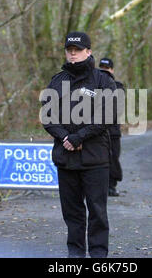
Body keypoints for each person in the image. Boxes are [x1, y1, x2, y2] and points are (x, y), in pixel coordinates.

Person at [41, 32, 116, 258]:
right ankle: (75, 255)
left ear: (89, 51)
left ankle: (99, 255)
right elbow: (48, 117)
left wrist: (79, 137)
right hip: (66, 157)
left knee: (97, 212)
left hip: (96, 158)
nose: (73, 53)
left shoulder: (103, 80)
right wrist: (65, 137)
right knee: (72, 212)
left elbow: (107, 116)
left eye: (78, 49)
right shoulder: (57, 81)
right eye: (69, 49)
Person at [99, 57, 124, 197]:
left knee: (113, 158)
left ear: (112, 70)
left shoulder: (118, 86)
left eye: (106, 68)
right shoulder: (93, 85)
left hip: (113, 131)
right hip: (97, 130)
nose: (104, 70)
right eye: (101, 67)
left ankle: (112, 185)